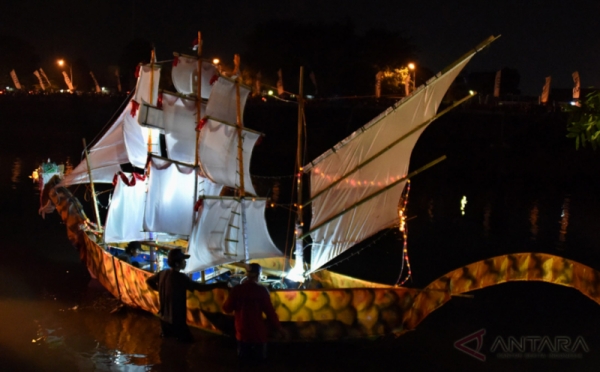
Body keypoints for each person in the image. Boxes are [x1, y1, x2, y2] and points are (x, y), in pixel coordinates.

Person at [146, 248, 222, 342]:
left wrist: (159, 290)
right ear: (177, 263)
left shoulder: (162, 273)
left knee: (167, 343)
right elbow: (200, 287)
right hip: (176, 320)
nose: (185, 262)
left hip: (163, 318)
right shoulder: (181, 278)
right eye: (183, 260)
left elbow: (148, 281)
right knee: (187, 343)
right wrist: (218, 284)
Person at [222, 263, 282, 361]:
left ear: (247, 274)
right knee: (259, 364)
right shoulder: (262, 291)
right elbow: (270, 313)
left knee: (243, 363)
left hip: (242, 333)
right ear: (258, 275)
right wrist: (279, 328)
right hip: (258, 334)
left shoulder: (236, 290)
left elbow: (226, 308)